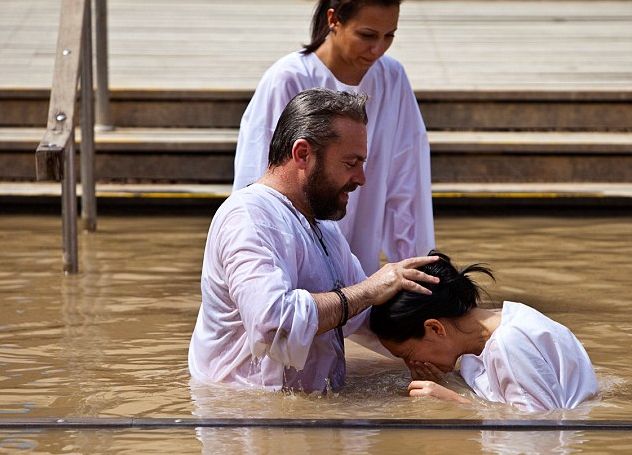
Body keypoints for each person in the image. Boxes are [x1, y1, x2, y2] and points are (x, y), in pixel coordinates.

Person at [189, 88, 440, 393]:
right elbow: (273, 323)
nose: (362, 178)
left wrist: (445, 344)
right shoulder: (248, 217)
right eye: (351, 163)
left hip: (303, 414)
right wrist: (369, 290)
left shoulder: (323, 227)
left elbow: (364, 317)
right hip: (246, 417)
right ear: (303, 154)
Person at [233, 0, 434, 275]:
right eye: (367, 35)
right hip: (293, 265)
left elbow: (407, 179)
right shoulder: (288, 79)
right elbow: (259, 177)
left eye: (389, 36)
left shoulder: (392, 78)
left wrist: (419, 268)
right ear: (334, 19)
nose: (377, 49)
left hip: (361, 265)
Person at [370, 251, 600, 412]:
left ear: (434, 328)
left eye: (408, 355)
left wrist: (453, 402)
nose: (412, 365)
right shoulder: (502, 323)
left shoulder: (509, 343)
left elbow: (538, 430)